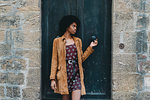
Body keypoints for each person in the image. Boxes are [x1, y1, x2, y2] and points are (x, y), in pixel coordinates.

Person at [50, 15, 98, 100]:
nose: (75, 28)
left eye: (76, 26)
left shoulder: (77, 41)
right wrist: (52, 79)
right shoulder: (57, 41)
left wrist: (91, 47)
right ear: (67, 26)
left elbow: (81, 59)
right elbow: (54, 61)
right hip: (64, 75)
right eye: (73, 26)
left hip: (76, 74)